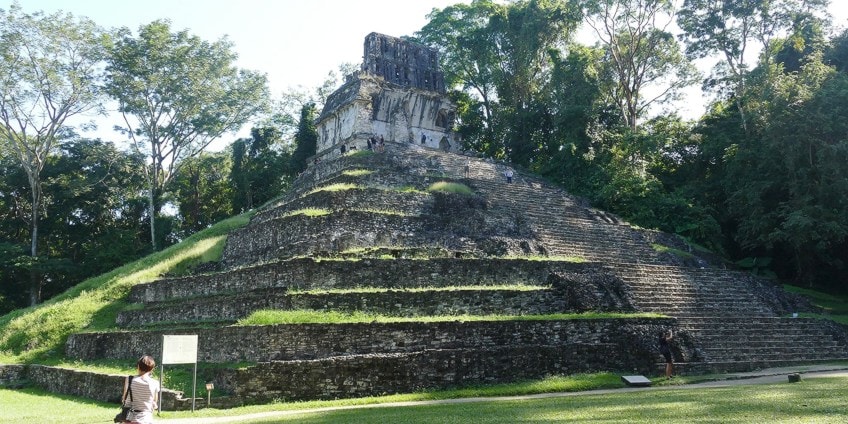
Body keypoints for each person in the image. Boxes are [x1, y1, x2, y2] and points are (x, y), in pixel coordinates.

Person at [123, 355, 160, 424]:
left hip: (130, 419)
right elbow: (154, 403)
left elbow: (124, 398)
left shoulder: (129, 379)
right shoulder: (155, 383)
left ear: (138, 366)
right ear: (152, 369)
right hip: (146, 419)